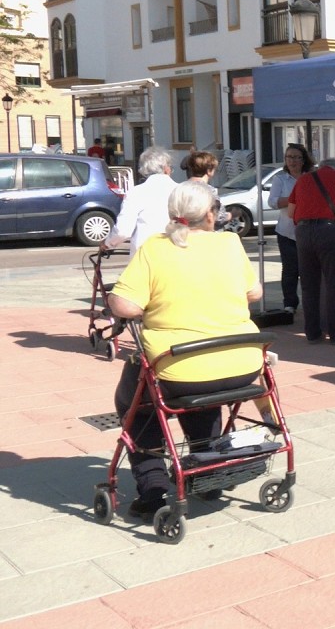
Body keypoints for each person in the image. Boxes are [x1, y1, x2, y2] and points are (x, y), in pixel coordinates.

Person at [107, 180, 264, 519]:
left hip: (179, 368)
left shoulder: (155, 248)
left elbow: (124, 305)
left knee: (134, 400)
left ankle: (154, 486)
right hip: (242, 363)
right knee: (205, 392)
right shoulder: (230, 243)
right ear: (210, 215)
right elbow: (255, 293)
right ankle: (208, 469)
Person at [287, 156, 335, 344]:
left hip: (303, 232)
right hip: (329, 231)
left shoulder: (303, 179)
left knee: (308, 284)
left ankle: (312, 332)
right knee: (334, 283)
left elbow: (291, 212)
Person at [102, 148, 178, 257]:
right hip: (175, 252)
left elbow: (123, 230)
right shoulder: (181, 190)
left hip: (144, 253)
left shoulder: (136, 193)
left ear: (143, 170)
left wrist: (107, 243)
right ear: (167, 169)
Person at [267, 143, 314, 316]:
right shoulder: (280, 179)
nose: (292, 161)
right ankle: (290, 304)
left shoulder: (310, 177)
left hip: (308, 230)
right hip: (286, 231)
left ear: (304, 160)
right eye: (289, 157)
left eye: (296, 157)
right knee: (290, 269)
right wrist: (294, 199)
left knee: (308, 269)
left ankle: (311, 303)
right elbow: (272, 202)